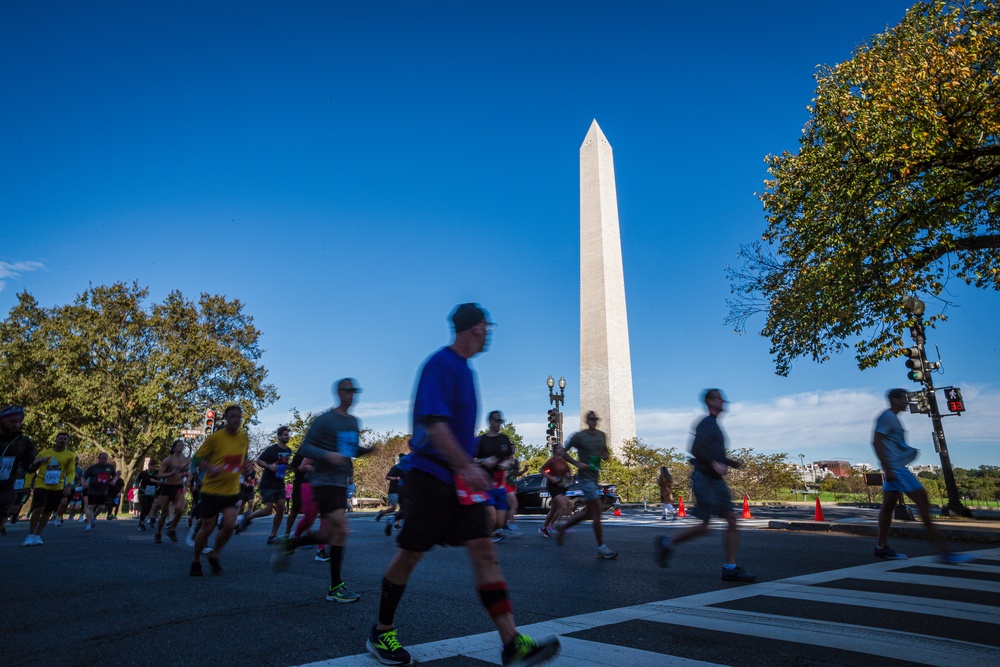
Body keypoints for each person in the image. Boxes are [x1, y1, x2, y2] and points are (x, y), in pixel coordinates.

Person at [365, 303, 559, 667]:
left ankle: (511, 642)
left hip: (460, 478)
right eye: (487, 327)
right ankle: (381, 629)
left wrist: (471, 468)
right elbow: (435, 425)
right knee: (410, 554)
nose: (488, 334)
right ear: (476, 328)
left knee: (485, 552)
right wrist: (466, 466)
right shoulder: (441, 364)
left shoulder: (466, 371)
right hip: (431, 476)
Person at [272, 378, 371, 603]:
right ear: (339, 392)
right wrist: (327, 455)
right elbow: (305, 447)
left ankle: (290, 543)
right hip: (323, 482)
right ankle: (335, 586)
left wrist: (366, 451)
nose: (352, 395)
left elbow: (350, 450)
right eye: (348, 391)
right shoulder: (325, 420)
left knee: (332, 534)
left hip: (340, 483)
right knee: (342, 531)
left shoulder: (354, 422)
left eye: (354, 391)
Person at [654, 389, 756, 582]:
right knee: (705, 527)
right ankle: (667, 542)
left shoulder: (714, 424)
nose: (723, 401)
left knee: (732, 519)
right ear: (710, 401)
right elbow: (695, 448)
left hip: (715, 480)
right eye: (719, 398)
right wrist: (714, 464)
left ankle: (730, 567)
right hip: (704, 479)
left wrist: (731, 463)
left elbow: (711, 453)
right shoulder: (706, 423)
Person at [871, 388, 973, 563]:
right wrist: (888, 468)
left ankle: (881, 547)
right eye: (903, 398)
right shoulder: (887, 417)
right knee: (923, 504)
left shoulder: (892, 418)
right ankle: (944, 552)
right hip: (896, 469)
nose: (907, 401)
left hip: (894, 467)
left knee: (888, 508)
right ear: (894, 400)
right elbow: (876, 441)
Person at [189, 405, 248, 576]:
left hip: (231, 490)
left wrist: (245, 467)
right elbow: (197, 459)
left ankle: (214, 555)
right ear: (226, 418)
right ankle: (196, 560)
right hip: (212, 490)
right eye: (233, 416)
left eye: (239, 416)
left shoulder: (244, 438)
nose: (236, 419)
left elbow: (240, 462)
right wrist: (210, 466)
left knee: (230, 525)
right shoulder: (215, 438)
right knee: (207, 528)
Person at [555, 411, 617, 559]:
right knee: (597, 511)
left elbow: (605, 452)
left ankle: (563, 528)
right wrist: (576, 463)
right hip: (585, 479)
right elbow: (563, 452)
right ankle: (601, 547)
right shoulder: (579, 436)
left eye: (595, 419)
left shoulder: (602, 435)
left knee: (589, 512)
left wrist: (605, 456)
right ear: (586, 421)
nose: (593, 421)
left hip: (594, 477)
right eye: (590, 419)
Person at [238, 426, 293, 544]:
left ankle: (272, 536)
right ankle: (248, 517)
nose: (287, 436)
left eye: (288, 434)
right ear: (279, 436)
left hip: (279, 483)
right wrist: (269, 466)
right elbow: (259, 461)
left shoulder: (288, 451)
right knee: (268, 510)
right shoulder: (271, 449)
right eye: (285, 434)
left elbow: (285, 465)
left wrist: (289, 467)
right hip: (268, 482)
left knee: (281, 507)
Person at [26, 432, 77, 545]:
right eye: (61, 438)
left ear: (67, 442)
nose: (63, 440)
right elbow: (32, 469)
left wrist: (68, 484)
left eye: (65, 439)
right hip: (41, 484)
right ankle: (30, 534)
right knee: (38, 508)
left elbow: (71, 471)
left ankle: (38, 535)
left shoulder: (70, 455)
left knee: (48, 511)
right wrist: (27, 484)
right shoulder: (44, 453)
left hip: (57, 486)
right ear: (56, 440)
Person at [474, 410, 517, 542]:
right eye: (497, 420)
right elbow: (469, 461)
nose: (499, 423)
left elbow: (511, 458)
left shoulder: (504, 439)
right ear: (491, 421)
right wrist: (483, 461)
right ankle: (481, 541)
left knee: (498, 523)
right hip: (486, 485)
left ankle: (485, 534)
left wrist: (507, 463)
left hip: (500, 486)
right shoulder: (481, 440)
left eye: (500, 421)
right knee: (491, 517)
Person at [0, 406, 43, 538]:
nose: (17, 425)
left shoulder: (23, 442)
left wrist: (35, 464)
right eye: (13, 421)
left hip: (5, 487)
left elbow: (28, 466)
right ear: (2, 419)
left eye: (19, 422)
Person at [154, 440, 190, 543]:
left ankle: (172, 529)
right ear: (174, 448)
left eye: (183, 445)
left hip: (178, 487)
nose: (181, 447)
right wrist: (171, 473)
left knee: (180, 509)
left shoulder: (186, 460)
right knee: (164, 513)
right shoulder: (168, 460)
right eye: (179, 445)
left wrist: (187, 477)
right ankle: (158, 533)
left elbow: (187, 472)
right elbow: (160, 474)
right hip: (167, 487)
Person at [539, 444, 572, 537]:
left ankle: (545, 527)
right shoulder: (552, 461)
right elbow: (541, 470)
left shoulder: (563, 461)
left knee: (555, 509)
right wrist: (551, 477)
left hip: (562, 486)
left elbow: (567, 471)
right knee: (563, 507)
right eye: (558, 448)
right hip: (553, 486)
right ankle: (560, 526)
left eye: (562, 448)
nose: (561, 449)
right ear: (554, 450)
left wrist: (569, 477)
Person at [374, 454, 405, 523]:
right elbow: (387, 477)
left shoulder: (406, 469)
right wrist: (396, 478)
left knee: (402, 508)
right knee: (393, 508)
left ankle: (397, 524)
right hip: (394, 490)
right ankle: (381, 513)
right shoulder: (395, 468)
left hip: (402, 491)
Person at [135, 460, 160, 531]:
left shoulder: (157, 473)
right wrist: (136, 485)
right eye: (152, 466)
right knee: (144, 506)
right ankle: (142, 523)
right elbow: (137, 480)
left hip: (151, 493)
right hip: (143, 492)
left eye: (154, 466)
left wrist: (155, 481)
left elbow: (162, 481)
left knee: (148, 508)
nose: (153, 468)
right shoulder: (143, 473)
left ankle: (141, 519)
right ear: (149, 466)